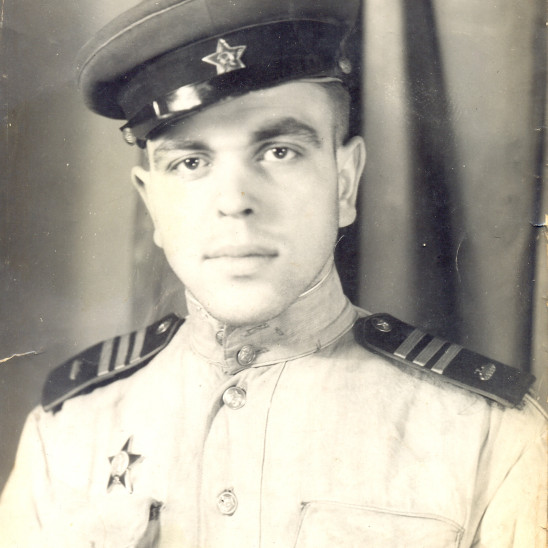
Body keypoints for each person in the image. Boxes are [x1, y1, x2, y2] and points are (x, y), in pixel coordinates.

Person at [0, 0, 545, 546]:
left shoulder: (490, 437)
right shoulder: (67, 433)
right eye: (191, 162)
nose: (235, 201)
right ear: (152, 205)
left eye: (279, 151)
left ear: (345, 183)